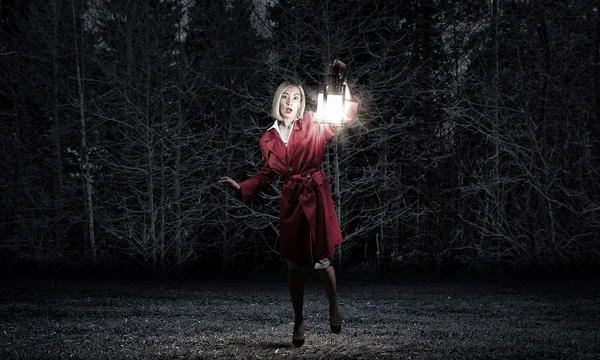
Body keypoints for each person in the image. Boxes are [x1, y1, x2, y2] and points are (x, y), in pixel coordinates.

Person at [219, 59, 360, 347]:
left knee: (322, 261)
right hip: (292, 201)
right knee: (295, 265)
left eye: (296, 97)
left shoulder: (312, 122)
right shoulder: (267, 139)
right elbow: (266, 174)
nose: (290, 101)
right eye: (285, 96)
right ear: (278, 101)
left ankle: (333, 306)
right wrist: (242, 188)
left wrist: (340, 83)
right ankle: (299, 320)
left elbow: (343, 116)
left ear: (300, 105)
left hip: (316, 197)